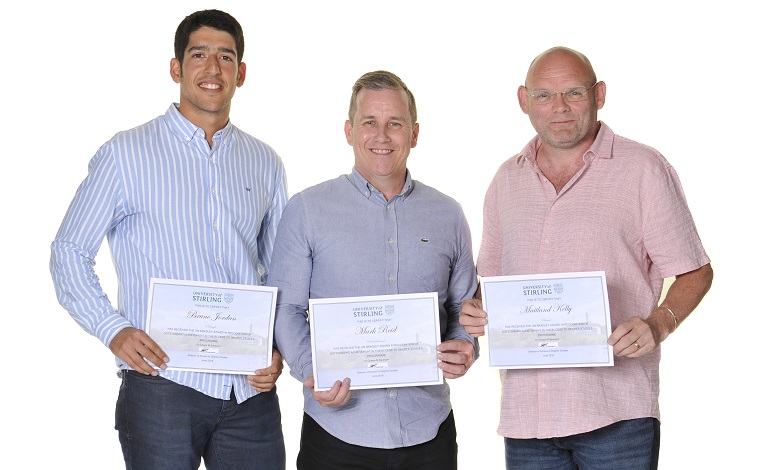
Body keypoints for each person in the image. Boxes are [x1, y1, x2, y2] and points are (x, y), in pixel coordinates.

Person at [50, 9, 288, 470]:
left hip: (250, 391)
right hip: (161, 384)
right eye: (199, 55)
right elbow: (68, 251)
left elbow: (278, 268)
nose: (212, 69)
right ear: (176, 68)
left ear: (241, 73)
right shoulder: (125, 153)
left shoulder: (265, 162)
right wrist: (112, 328)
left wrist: (277, 347)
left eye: (226, 56)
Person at [460, 46, 713, 470]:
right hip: (528, 420)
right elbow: (493, 284)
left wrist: (659, 323)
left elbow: (695, 270)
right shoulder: (506, 179)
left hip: (617, 415)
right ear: (524, 101)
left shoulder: (643, 168)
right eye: (543, 95)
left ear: (599, 94)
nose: (558, 107)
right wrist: (478, 310)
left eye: (573, 93)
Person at [269, 70, 477, 470]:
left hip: (427, 430)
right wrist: (314, 373)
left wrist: (466, 345)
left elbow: (463, 307)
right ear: (349, 131)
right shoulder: (306, 210)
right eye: (370, 123)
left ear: (414, 133)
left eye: (394, 123)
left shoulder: (448, 214)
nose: (382, 136)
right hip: (336, 433)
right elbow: (287, 308)